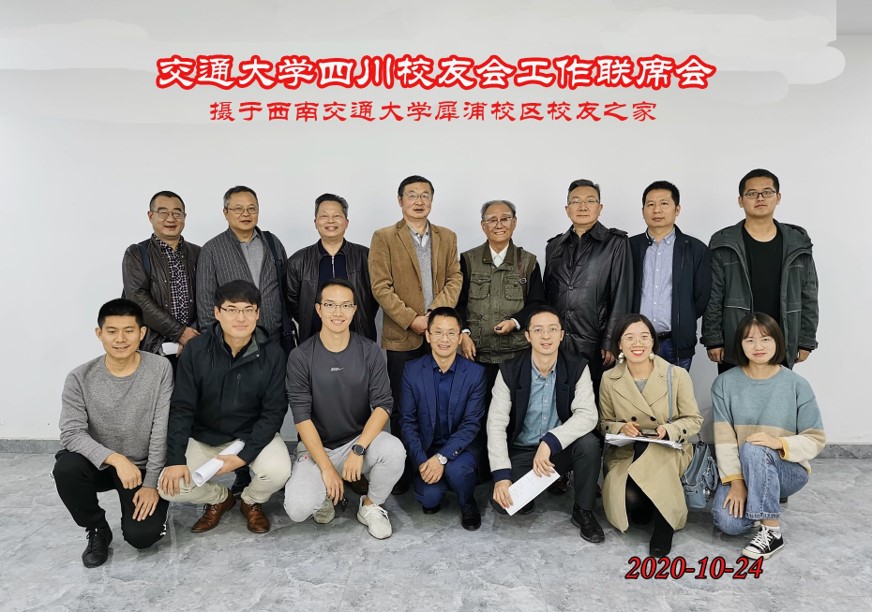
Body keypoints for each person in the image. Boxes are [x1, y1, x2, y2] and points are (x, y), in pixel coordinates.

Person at [159, 280, 291, 535]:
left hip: (251, 434)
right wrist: (175, 460)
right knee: (169, 487)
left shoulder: (273, 353)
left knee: (278, 472)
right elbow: (182, 408)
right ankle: (220, 498)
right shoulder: (196, 350)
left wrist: (244, 455)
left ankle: (250, 501)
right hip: (205, 435)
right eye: (231, 309)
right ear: (217, 313)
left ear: (258, 314)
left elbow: (274, 412)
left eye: (248, 310)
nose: (240, 318)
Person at [284, 279, 406, 539]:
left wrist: (359, 448)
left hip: (356, 441)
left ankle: (370, 506)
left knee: (394, 451)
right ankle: (324, 495)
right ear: (319, 309)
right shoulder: (301, 356)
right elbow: (302, 417)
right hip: (316, 447)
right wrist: (327, 468)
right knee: (297, 508)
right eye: (330, 305)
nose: (338, 312)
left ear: (354, 310)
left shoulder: (369, 351)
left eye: (345, 305)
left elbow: (383, 404)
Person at [54, 299, 171, 568]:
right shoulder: (79, 377)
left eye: (129, 330)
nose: (120, 339)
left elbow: (161, 429)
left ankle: (156, 510)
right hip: (101, 464)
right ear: (99, 334)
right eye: (112, 331)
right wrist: (117, 459)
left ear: (142, 333)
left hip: (141, 468)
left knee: (142, 536)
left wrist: (151, 483)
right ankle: (97, 528)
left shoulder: (160, 369)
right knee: (66, 468)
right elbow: (71, 433)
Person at [196, 185, 293, 495]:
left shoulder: (272, 243)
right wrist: (219, 344)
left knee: (271, 404)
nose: (245, 213)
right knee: (238, 405)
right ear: (225, 212)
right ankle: (240, 471)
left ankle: (264, 463)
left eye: (251, 207)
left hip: (272, 340)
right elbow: (205, 301)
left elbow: (283, 290)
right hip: (234, 345)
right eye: (237, 208)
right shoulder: (212, 249)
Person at [369, 175, 463, 493]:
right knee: (404, 406)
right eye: (412, 195)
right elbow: (381, 286)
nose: (419, 201)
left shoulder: (447, 236)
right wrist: (412, 320)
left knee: (440, 402)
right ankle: (403, 471)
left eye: (425, 195)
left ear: (432, 201)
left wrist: (434, 316)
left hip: (440, 337)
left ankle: (436, 466)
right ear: (400, 201)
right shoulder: (384, 237)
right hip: (402, 336)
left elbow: (454, 278)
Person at [711, 313, 825, 559]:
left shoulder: (797, 384)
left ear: (777, 342)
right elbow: (724, 441)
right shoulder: (724, 384)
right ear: (740, 344)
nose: (758, 346)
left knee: (754, 447)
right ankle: (761, 497)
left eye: (765, 339)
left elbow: (815, 438)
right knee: (728, 523)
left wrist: (778, 443)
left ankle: (772, 532)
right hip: (743, 471)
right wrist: (737, 482)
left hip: (788, 471)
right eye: (749, 340)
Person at [487, 306, 605, 543]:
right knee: (505, 504)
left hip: (558, 451)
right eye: (538, 330)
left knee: (589, 444)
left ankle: (583, 510)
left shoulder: (577, 366)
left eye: (552, 330)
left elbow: (588, 415)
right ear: (527, 335)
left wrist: (550, 441)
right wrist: (501, 475)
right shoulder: (509, 370)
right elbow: (496, 424)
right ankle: (536, 488)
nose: (546, 336)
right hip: (523, 450)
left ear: (561, 335)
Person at [599, 314, 703, 557]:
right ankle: (647, 502)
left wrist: (670, 430)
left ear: (653, 342)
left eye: (644, 337)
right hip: (626, 451)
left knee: (653, 455)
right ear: (619, 344)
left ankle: (665, 525)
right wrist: (621, 428)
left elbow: (694, 420)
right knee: (631, 501)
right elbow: (603, 423)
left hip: (669, 450)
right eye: (630, 338)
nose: (638, 343)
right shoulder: (609, 378)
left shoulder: (676, 375)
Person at [702, 169, 819, 373]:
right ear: (740, 200)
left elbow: (808, 293)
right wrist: (713, 339)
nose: (760, 198)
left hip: (782, 339)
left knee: (778, 393)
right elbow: (713, 295)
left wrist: (806, 339)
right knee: (733, 392)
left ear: (778, 197)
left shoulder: (797, 242)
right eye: (751, 193)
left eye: (767, 192)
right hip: (735, 339)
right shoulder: (724, 242)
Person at [399, 307, 487, 530]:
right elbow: (407, 421)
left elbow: (471, 424)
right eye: (438, 332)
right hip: (427, 449)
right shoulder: (412, 370)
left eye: (450, 333)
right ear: (428, 336)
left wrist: (442, 458)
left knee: (458, 471)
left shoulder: (475, 374)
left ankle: (467, 502)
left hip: (462, 449)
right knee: (429, 498)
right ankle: (438, 485)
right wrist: (422, 461)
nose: (444, 339)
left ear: (459, 338)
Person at [543, 179, 632, 392]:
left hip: (595, 341)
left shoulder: (616, 243)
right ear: (567, 209)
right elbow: (547, 295)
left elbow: (622, 294)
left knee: (595, 397)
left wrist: (611, 339)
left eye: (590, 201)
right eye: (576, 201)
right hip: (557, 340)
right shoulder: (554, 246)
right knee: (560, 396)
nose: (582, 206)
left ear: (600, 207)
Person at [457, 199, 545, 400]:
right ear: (483, 225)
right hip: (476, 355)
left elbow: (537, 304)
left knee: (514, 411)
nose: (499, 225)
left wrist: (515, 322)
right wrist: (464, 334)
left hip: (516, 355)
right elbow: (458, 303)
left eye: (505, 219)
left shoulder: (529, 262)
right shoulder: (468, 260)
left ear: (514, 222)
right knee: (477, 410)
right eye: (492, 220)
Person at [629, 181, 710, 370]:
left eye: (664, 203)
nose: (657, 210)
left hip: (676, 341)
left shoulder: (695, 249)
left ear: (677, 209)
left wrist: (684, 315)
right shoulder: (628, 247)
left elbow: (701, 297)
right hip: (635, 342)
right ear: (643, 211)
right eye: (650, 204)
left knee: (674, 389)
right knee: (634, 389)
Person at [122, 190, 200, 369]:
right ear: (150, 216)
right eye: (163, 212)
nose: (170, 219)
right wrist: (180, 333)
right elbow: (137, 298)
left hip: (193, 348)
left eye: (177, 213)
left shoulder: (199, 253)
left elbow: (207, 298)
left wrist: (192, 337)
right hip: (152, 349)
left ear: (184, 217)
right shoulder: (137, 253)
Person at [286, 193, 378, 343]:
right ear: (315, 222)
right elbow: (293, 304)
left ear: (346, 222)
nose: (330, 221)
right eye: (324, 216)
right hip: (313, 341)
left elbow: (375, 298)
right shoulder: (298, 261)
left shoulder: (366, 257)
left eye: (336, 216)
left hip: (360, 340)